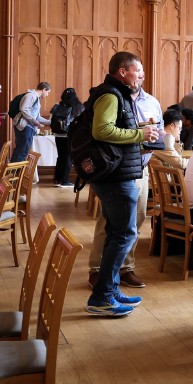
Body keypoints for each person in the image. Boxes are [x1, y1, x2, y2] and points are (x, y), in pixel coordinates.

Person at [84, 51, 159, 317]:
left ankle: (111, 290)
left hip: (119, 174)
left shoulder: (116, 93)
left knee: (119, 233)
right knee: (125, 234)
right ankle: (102, 296)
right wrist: (140, 133)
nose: (141, 75)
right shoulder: (110, 94)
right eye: (137, 70)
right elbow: (101, 130)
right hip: (117, 177)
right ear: (123, 71)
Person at [50, 88, 84, 187]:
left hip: (57, 134)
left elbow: (50, 120)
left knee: (61, 156)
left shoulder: (58, 106)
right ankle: (65, 181)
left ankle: (57, 179)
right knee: (68, 157)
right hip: (69, 135)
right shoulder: (78, 107)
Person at [11, 81, 51, 163]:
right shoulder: (31, 96)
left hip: (28, 127)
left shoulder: (36, 98)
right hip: (25, 127)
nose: (47, 95)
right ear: (43, 89)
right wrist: (34, 122)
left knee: (23, 151)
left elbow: (37, 117)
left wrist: (50, 122)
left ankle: (16, 173)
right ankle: (14, 173)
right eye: (48, 92)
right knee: (21, 151)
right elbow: (24, 109)